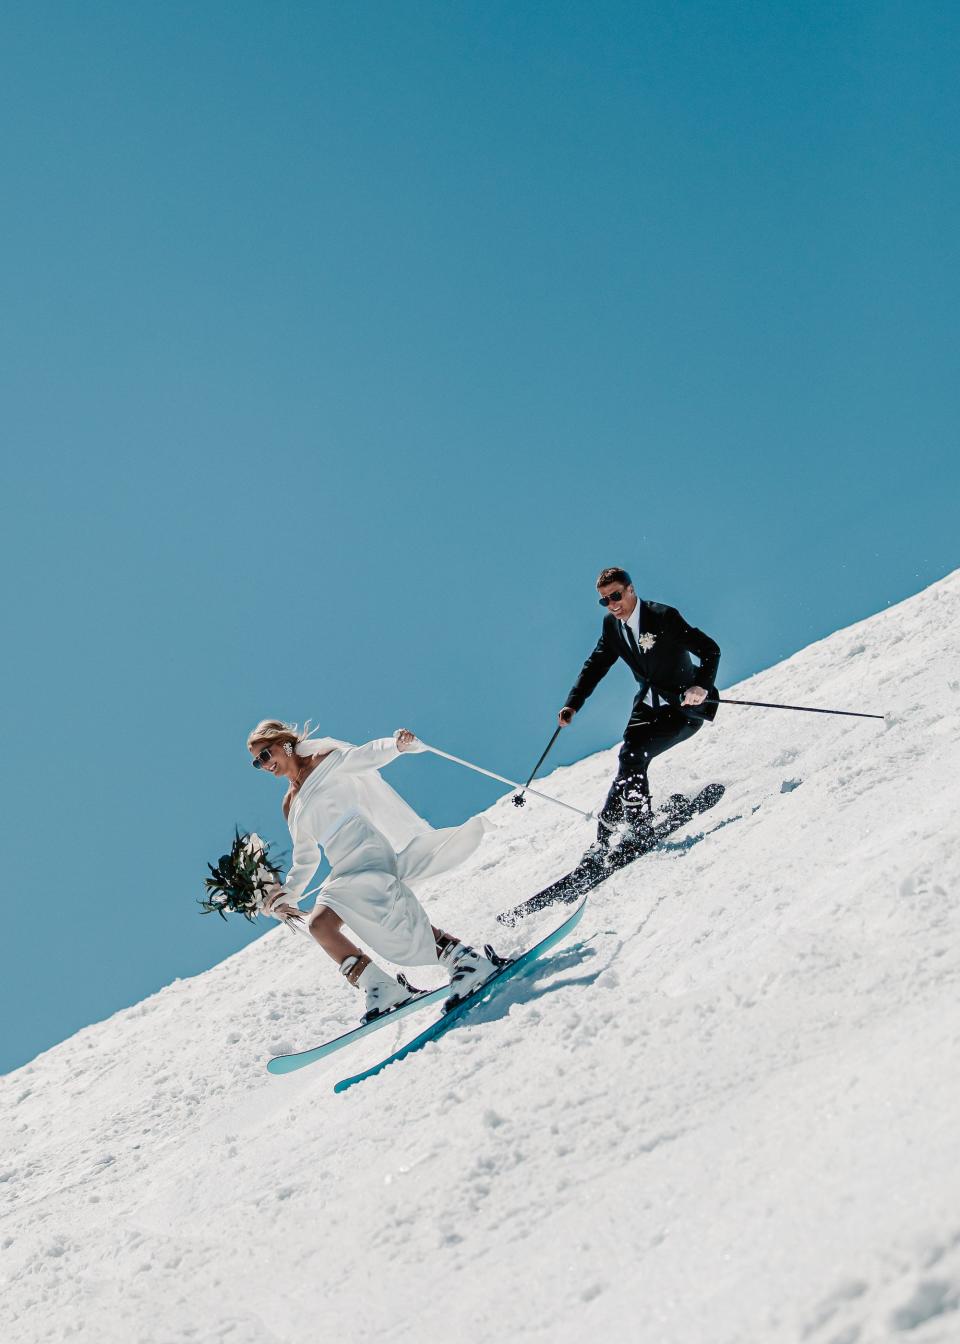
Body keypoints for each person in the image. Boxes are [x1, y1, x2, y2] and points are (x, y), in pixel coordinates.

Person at [247, 719, 501, 1022]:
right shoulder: (289, 803)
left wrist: (397, 745)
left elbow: (364, 756)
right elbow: (306, 858)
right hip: (343, 864)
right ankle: (382, 987)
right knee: (320, 927)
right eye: (257, 763)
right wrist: (288, 894)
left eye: (265, 754)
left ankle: (465, 961)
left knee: (389, 915)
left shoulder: (324, 760)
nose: (264, 765)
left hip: (367, 848)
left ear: (285, 744)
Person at [558, 567, 721, 846]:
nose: (611, 605)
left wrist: (700, 687)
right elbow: (595, 665)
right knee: (627, 761)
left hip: (681, 708)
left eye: (616, 596)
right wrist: (572, 705)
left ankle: (640, 829)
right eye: (604, 600)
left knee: (633, 755)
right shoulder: (612, 627)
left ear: (631, 590)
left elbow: (710, 649)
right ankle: (605, 836)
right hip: (646, 707)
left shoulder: (663, 617)